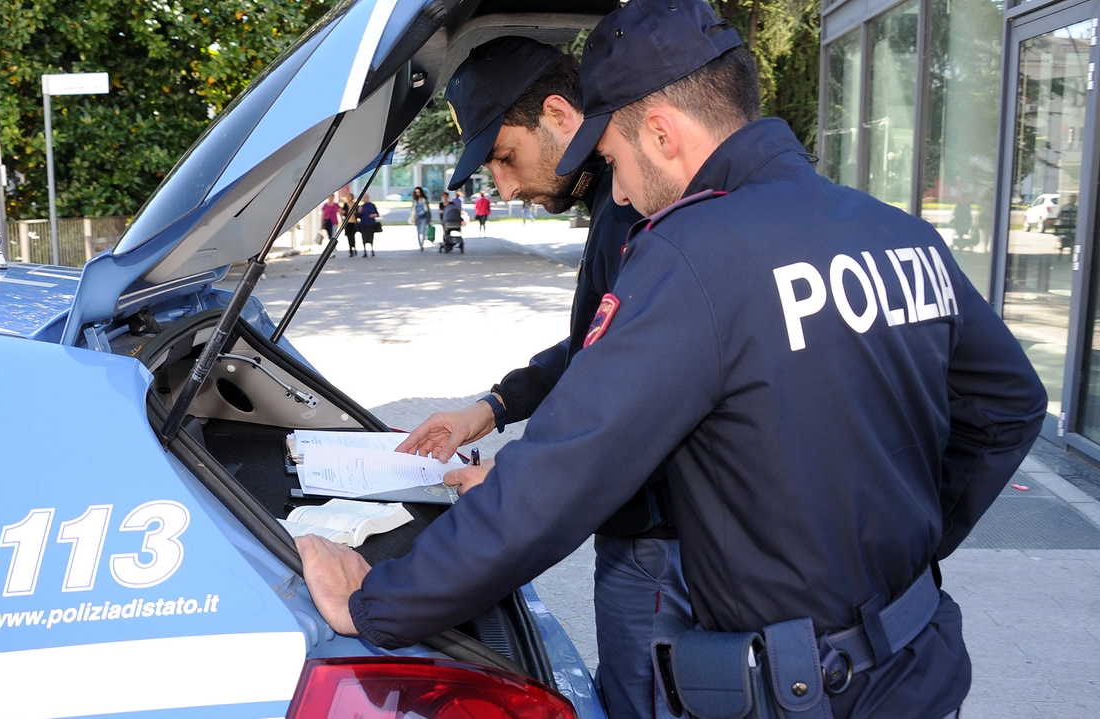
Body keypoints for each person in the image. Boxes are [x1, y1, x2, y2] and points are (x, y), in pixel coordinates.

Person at [299, 1, 1048, 717]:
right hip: (922, 663)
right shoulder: (898, 234)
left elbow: (561, 476)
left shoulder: (693, 254)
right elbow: (1010, 404)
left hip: (806, 690)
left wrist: (376, 599)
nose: (617, 188)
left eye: (615, 156)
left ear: (660, 133)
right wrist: (912, 541)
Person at [304, 36, 684, 719]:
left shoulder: (633, 213)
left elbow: (608, 416)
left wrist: (505, 488)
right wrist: (493, 406)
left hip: (657, 547)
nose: (504, 186)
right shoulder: (615, 207)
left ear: (562, 117)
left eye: (505, 156)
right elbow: (597, 348)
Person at [340, 193, 358, 257]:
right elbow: (343, 212)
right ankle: (350, 249)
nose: (348, 198)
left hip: (353, 222)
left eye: (349, 196)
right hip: (347, 222)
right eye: (347, 197)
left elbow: (358, 212)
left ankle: (354, 247)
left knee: (352, 236)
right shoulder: (345, 204)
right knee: (348, 236)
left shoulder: (355, 204)